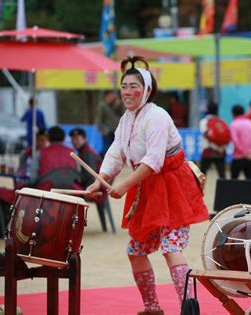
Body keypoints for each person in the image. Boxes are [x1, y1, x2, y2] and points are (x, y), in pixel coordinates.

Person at [86, 56, 209, 315]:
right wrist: (100, 180)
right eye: (124, 86)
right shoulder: (127, 119)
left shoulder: (157, 116)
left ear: (148, 90)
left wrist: (121, 186)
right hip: (146, 188)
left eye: (134, 86)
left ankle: (189, 309)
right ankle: (152, 307)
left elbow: (153, 161)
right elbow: (115, 153)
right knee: (135, 250)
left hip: (172, 186)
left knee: (171, 248)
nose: (128, 91)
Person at [199, 102, 228, 179]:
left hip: (208, 150)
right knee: (222, 175)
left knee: (202, 175)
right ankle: (224, 191)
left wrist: (214, 146)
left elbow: (206, 135)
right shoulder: (221, 122)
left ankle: (200, 191)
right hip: (221, 151)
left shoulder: (204, 121)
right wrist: (220, 147)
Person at [230, 105, 251, 180]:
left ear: (233, 114)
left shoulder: (234, 124)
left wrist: (244, 153)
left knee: (233, 181)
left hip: (238, 157)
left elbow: (235, 141)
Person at [95, 90, 124, 157]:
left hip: (118, 131)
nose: (112, 97)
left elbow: (123, 113)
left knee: (118, 150)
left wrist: (119, 105)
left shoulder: (117, 105)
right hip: (108, 132)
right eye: (110, 95)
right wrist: (104, 130)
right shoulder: (102, 106)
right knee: (106, 149)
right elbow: (99, 120)